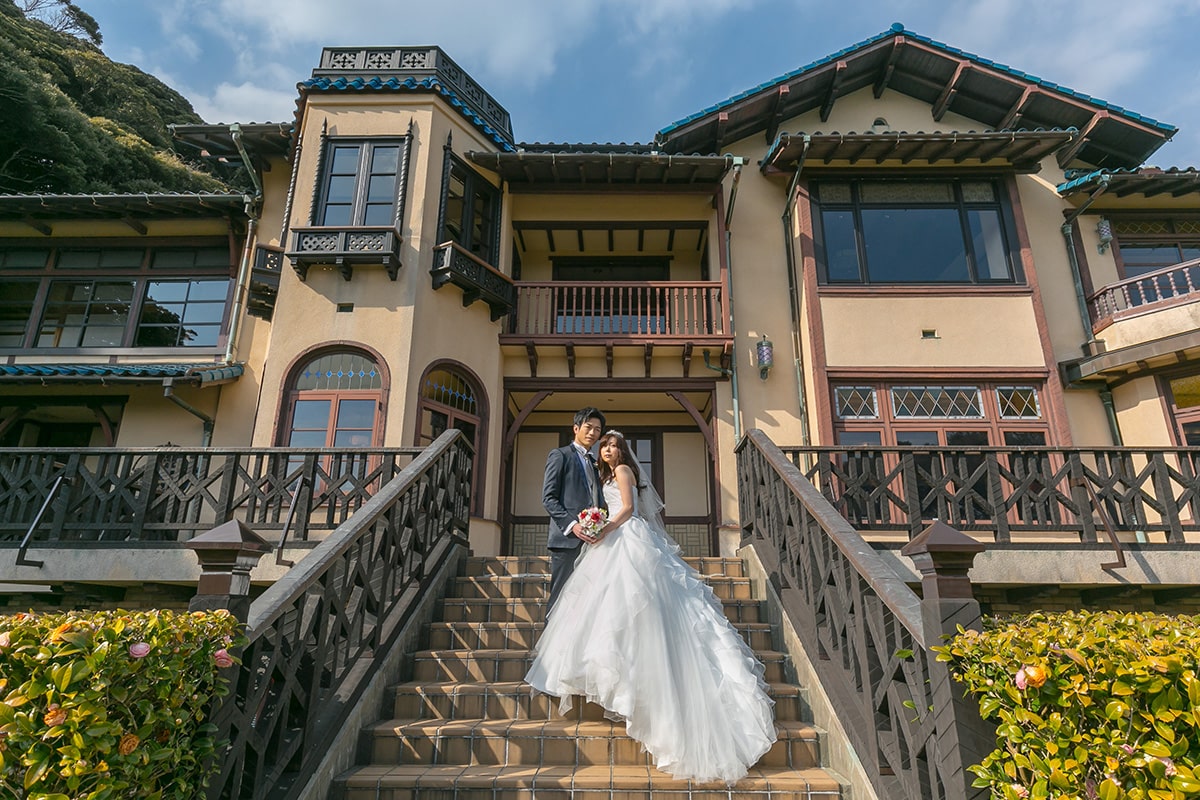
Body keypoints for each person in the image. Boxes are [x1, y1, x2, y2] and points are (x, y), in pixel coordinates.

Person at [526, 430, 777, 783]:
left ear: (623, 451)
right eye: (605, 446)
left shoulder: (625, 472)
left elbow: (628, 509)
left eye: (614, 445)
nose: (610, 449)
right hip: (608, 539)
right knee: (600, 604)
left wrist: (604, 529)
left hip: (626, 538)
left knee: (636, 600)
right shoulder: (603, 476)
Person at [541, 406, 607, 614]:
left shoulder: (596, 463)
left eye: (597, 430)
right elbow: (548, 498)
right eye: (588, 427)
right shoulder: (560, 455)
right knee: (561, 597)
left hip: (594, 541)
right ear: (576, 428)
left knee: (587, 600)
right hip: (567, 540)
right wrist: (573, 525)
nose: (592, 433)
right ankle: (549, 647)